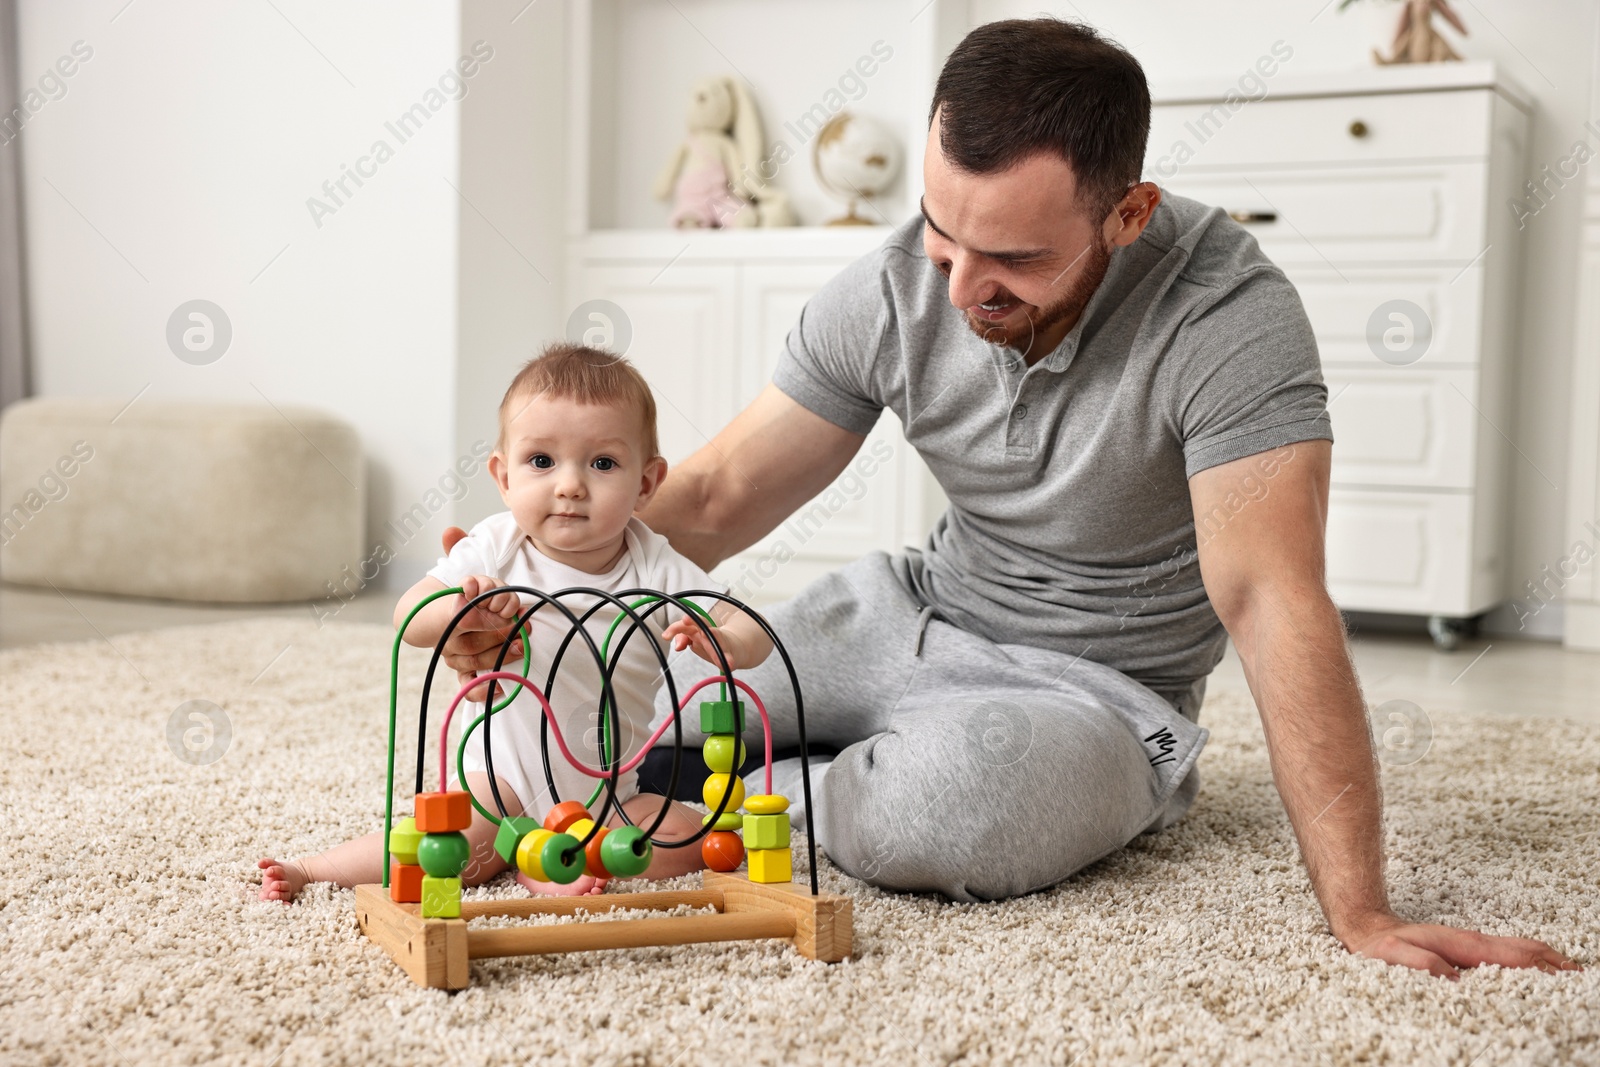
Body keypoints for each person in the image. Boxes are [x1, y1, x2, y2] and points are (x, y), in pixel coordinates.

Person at [435, 18, 1580, 978]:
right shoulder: (898, 285)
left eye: (1013, 261)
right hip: (903, 611)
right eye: (942, 233)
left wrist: (1362, 907)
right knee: (668, 666)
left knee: (948, 808)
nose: (962, 284)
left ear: (1126, 215)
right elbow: (723, 492)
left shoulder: (1229, 316)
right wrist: (521, 594)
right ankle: (709, 779)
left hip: (1092, 690)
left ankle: (725, 793)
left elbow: (1273, 598)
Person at [258, 343, 773, 902]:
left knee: (690, 838)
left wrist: (722, 641)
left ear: (646, 484)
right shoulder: (497, 549)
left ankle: (554, 856)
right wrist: (457, 613)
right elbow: (409, 613)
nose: (570, 484)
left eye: (603, 463)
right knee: (450, 848)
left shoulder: (656, 563)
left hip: (609, 791)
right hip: (502, 781)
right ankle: (314, 869)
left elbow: (753, 630)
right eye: (542, 462)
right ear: (503, 477)